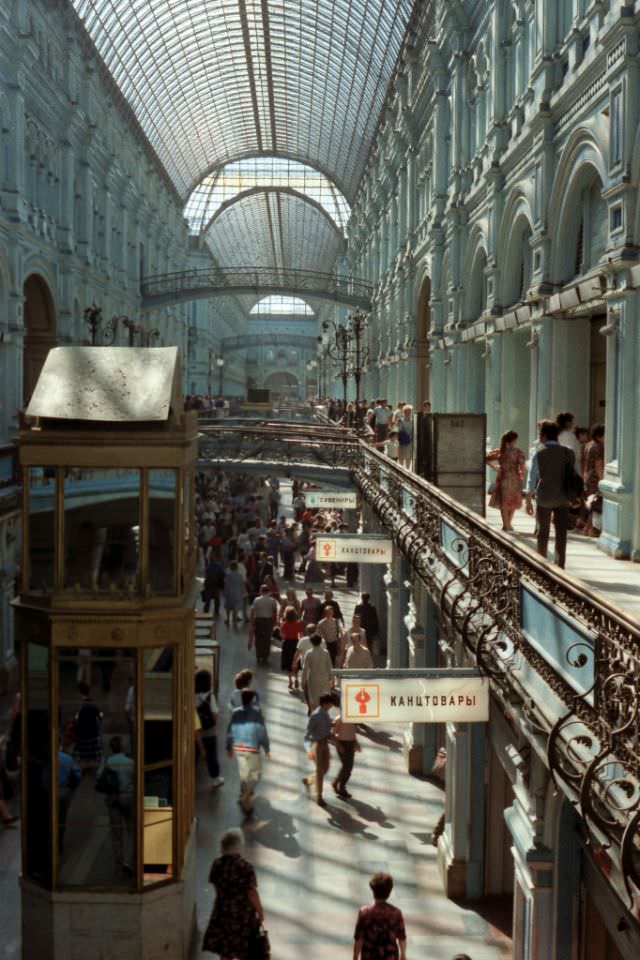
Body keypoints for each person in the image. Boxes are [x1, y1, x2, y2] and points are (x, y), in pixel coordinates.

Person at [202, 828, 265, 958]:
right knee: (246, 949)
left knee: (226, 950)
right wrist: (260, 911)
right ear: (238, 846)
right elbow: (252, 892)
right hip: (243, 915)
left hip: (222, 912)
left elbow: (216, 887)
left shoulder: (217, 864)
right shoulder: (245, 867)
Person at [525, 420, 575, 568]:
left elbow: (532, 477)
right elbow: (575, 475)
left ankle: (542, 563)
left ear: (545, 435)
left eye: (540, 434)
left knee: (543, 531)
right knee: (561, 533)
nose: (539, 437)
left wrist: (528, 498)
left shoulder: (539, 452)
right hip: (563, 497)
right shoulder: (569, 452)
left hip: (544, 496)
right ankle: (559, 565)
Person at [226, 689, 270, 814]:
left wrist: (229, 747)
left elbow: (230, 731)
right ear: (252, 700)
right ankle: (246, 797)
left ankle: (243, 795)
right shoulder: (257, 713)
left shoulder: (235, 712)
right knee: (256, 775)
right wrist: (266, 748)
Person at [353, 872, 407, 960]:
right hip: (390, 956)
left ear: (373, 890)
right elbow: (402, 937)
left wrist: (355, 956)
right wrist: (403, 955)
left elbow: (359, 938)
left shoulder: (364, 912)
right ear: (389, 892)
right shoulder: (396, 913)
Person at [101, 736, 135, 875]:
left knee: (116, 832)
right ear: (122, 747)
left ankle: (118, 861)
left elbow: (99, 776)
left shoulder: (108, 761)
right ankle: (128, 860)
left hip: (113, 798)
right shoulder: (130, 762)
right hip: (127, 797)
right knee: (130, 830)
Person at [485, 430, 526, 532]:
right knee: (513, 501)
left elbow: (486, 459)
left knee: (504, 501)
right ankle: (508, 524)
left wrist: (496, 468)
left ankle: (506, 524)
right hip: (514, 478)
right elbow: (522, 466)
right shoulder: (518, 452)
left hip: (503, 477)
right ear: (513, 440)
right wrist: (522, 475)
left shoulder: (500, 451)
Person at [303, 692, 335, 807]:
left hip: (325, 743)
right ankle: (319, 796)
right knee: (320, 771)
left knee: (325, 769)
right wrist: (309, 750)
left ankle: (309, 780)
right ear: (325, 704)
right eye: (330, 704)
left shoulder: (325, 714)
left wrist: (332, 724)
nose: (332, 706)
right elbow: (307, 734)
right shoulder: (315, 715)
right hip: (317, 745)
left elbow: (326, 726)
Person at [195, 670, 224, 789]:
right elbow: (215, 714)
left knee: (194, 755)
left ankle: (189, 777)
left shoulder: (192, 695)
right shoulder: (210, 696)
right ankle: (215, 779)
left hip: (195, 731)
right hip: (209, 732)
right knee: (212, 756)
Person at [73, 682, 103, 769]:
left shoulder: (80, 706)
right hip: (93, 735)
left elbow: (76, 718)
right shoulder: (92, 705)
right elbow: (101, 715)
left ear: (79, 692)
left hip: (82, 735)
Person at [301, 633, 333, 714]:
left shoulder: (309, 653)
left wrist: (303, 681)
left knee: (314, 698)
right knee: (324, 697)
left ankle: (315, 714)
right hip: (324, 679)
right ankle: (323, 713)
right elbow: (329, 667)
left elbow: (305, 669)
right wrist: (332, 679)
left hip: (313, 679)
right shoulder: (325, 653)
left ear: (312, 642)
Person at [583, 423, 605, 537]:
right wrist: (602, 480)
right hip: (595, 478)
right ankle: (590, 529)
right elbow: (598, 464)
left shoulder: (588, 445)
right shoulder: (598, 448)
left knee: (591, 504)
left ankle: (587, 528)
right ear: (599, 436)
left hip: (589, 476)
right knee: (595, 504)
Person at [332, 713, 360, 799]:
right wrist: (339, 745)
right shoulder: (339, 718)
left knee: (348, 767)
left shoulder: (353, 718)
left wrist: (356, 742)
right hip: (342, 744)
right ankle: (340, 786)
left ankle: (339, 784)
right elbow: (334, 733)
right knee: (347, 767)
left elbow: (352, 732)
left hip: (350, 744)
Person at [250, 584, 278, 664]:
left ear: (261, 591)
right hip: (268, 621)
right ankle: (265, 656)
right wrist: (275, 622)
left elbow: (252, 611)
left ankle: (258, 655)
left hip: (258, 620)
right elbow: (274, 611)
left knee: (258, 639)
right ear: (268, 591)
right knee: (267, 639)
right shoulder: (272, 600)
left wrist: (252, 622)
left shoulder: (256, 600)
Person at [280, 605, 303, 690]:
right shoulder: (298, 623)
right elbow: (301, 635)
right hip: (295, 643)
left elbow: (282, 636)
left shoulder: (284, 624)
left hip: (287, 643)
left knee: (288, 662)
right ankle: (296, 678)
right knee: (295, 661)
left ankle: (290, 681)